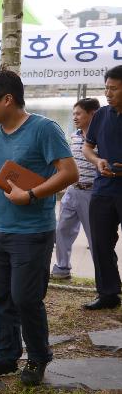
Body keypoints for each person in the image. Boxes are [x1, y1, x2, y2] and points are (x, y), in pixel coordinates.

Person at [0, 70, 77, 386]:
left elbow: (69, 173)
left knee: (25, 298)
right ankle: (4, 356)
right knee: (2, 298)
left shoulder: (43, 129)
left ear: (7, 99)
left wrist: (31, 194)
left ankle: (38, 358)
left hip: (31, 232)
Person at [82, 65, 122, 310]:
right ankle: (108, 293)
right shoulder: (101, 115)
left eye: (114, 89)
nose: (108, 93)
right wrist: (98, 161)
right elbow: (88, 147)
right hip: (103, 189)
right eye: (106, 88)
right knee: (100, 243)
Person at [51, 98, 100, 280]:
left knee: (95, 237)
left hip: (92, 193)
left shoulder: (102, 137)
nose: (75, 117)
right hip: (72, 191)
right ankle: (62, 269)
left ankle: (103, 277)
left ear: (92, 114)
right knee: (62, 229)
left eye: (79, 113)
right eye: (73, 114)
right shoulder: (75, 135)